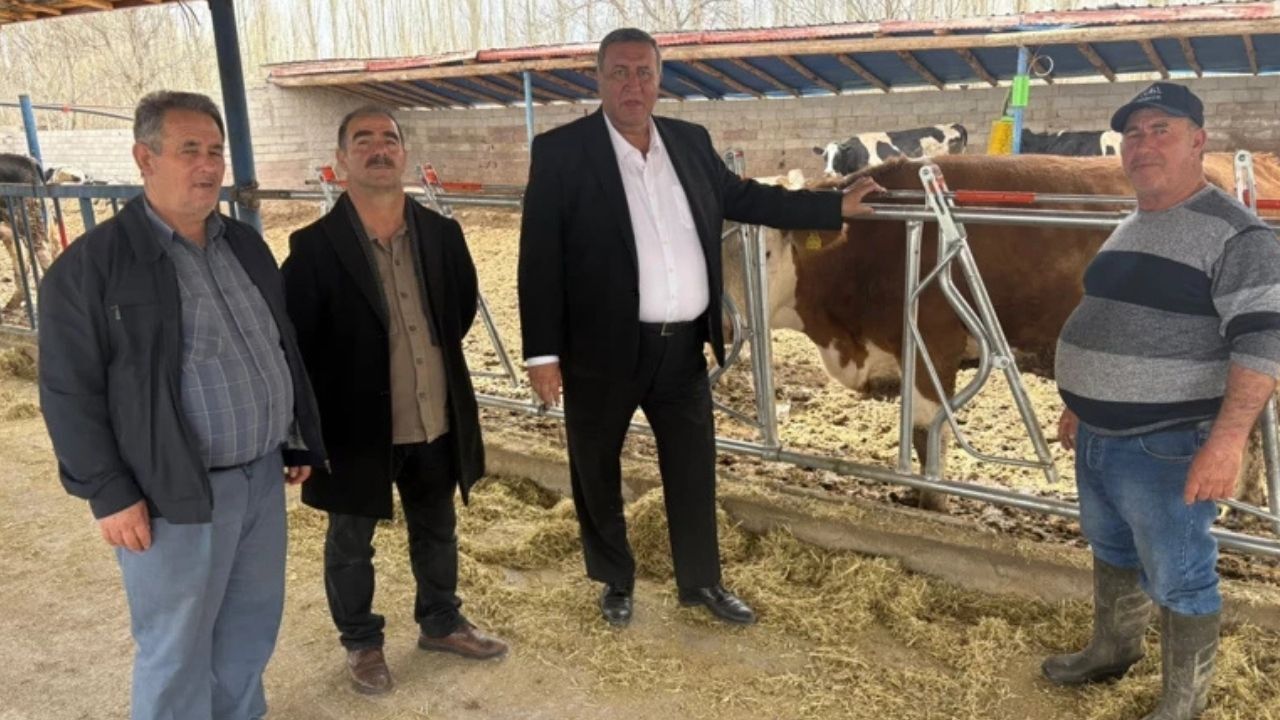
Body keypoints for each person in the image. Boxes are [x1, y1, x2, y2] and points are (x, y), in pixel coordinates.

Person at [517, 27, 882, 627]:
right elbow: (539, 260)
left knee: (692, 467)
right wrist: (542, 354)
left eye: (644, 72)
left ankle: (701, 582)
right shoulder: (561, 152)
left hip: (683, 346)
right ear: (598, 79)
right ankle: (614, 579)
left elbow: (748, 198)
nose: (633, 85)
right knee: (596, 465)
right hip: (599, 351)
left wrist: (831, 205)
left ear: (659, 79)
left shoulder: (689, 142)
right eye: (619, 72)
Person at [37, 90, 325, 720]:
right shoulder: (91, 268)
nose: (208, 165)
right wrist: (108, 491)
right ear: (145, 158)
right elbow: (67, 391)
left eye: (215, 151)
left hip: (259, 479)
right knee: (176, 643)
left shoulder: (243, 244)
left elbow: (278, 343)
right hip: (171, 492)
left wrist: (295, 434)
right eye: (189, 149)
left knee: (250, 625)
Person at [1048, 82, 1280, 719]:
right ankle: (1112, 650)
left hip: (1167, 444)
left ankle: (1182, 703)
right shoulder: (1133, 223)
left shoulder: (1238, 235)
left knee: (1180, 572)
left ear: (1198, 142)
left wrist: (1226, 443)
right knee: (1112, 549)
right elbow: (1107, 314)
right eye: (1133, 133)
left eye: (1161, 131)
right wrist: (1082, 400)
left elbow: (1263, 345)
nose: (1143, 145)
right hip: (1100, 436)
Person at [282, 106, 506, 695]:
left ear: (403, 153)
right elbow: (297, 342)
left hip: (433, 416)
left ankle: (441, 622)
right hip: (355, 428)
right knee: (351, 542)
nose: (378, 148)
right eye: (363, 140)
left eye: (389, 138)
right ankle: (361, 642)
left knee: (437, 527)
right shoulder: (313, 248)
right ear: (341, 160)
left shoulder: (442, 235)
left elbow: (458, 314)